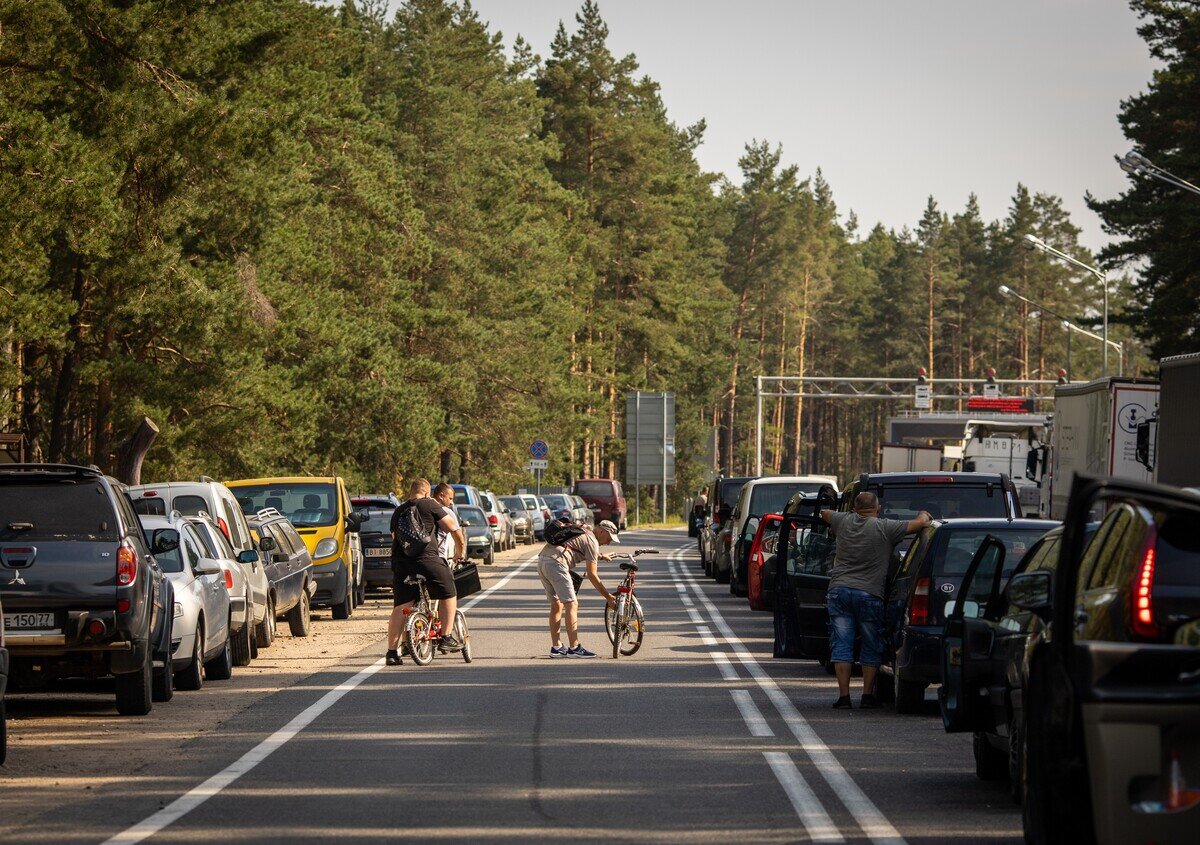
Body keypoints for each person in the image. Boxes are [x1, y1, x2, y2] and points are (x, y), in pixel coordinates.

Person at [820, 492, 931, 709]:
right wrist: (924, 512)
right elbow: (920, 524)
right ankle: (867, 696)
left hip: (839, 591)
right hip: (869, 594)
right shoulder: (886, 527)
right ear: (877, 509)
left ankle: (844, 697)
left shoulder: (843, 521)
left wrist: (841, 515)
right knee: (871, 645)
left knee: (842, 644)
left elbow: (825, 513)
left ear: (854, 508)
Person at [386, 478, 463, 666]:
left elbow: (395, 538)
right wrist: (459, 551)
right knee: (449, 592)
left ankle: (391, 652)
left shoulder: (398, 511)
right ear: (428, 492)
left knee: (401, 606)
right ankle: (445, 637)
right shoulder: (430, 505)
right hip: (427, 560)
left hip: (401, 564)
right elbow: (452, 527)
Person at [537, 519, 620, 658]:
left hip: (543, 561)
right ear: (601, 531)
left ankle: (556, 647)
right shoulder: (592, 541)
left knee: (556, 605)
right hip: (557, 563)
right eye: (609, 537)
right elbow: (592, 575)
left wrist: (600, 556)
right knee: (572, 604)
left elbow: (575, 546)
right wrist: (608, 597)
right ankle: (574, 647)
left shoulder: (584, 531)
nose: (608, 542)